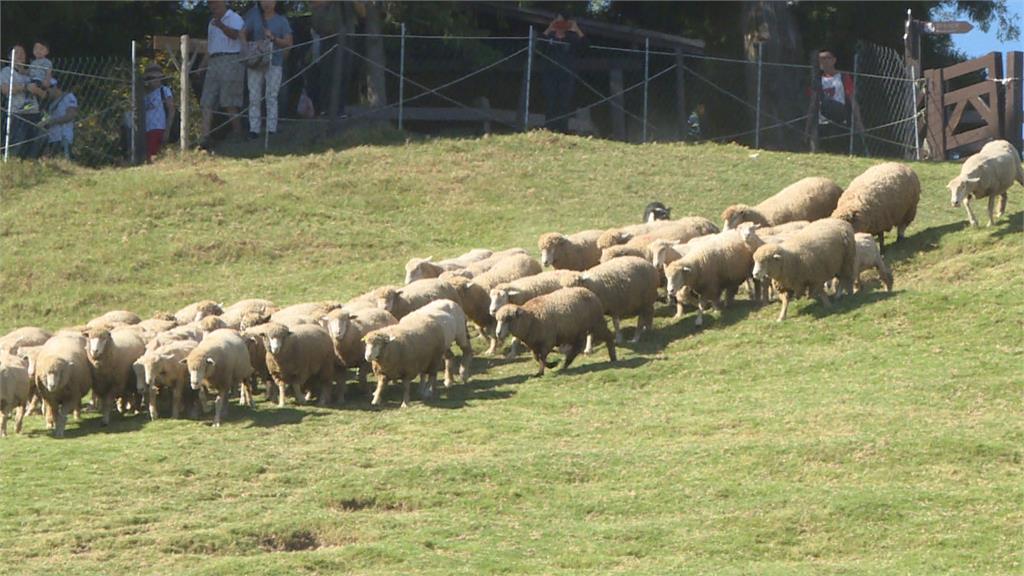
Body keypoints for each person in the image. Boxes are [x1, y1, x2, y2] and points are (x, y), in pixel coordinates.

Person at [243, 0, 293, 139]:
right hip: (256, 62)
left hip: (274, 61)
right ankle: (254, 129)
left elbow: (289, 42)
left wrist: (275, 39)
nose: (267, 3)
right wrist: (246, 48)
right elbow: (242, 33)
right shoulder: (253, 16)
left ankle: (272, 128)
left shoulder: (281, 21)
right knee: (254, 96)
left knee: (271, 95)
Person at [199, 0, 245, 148]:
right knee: (207, 99)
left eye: (216, 3)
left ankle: (238, 132)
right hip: (214, 61)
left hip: (230, 58)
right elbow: (210, 46)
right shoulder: (211, 22)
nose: (214, 7)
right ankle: (205, 137)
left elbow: (236, 35)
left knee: (229, 100)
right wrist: (201, 67)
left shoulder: (234, 17)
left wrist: (222, 26)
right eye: (211, 4)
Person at [805, 50, 865, 152]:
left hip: (840, 119)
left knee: (840, 148)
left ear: (834, 60)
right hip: (822, 120)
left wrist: (858, 121)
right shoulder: (817, 80)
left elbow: (852, 99)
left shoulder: (843, 77)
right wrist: (808, 127)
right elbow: (812, 103)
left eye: (826, 58)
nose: (823, 62)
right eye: (820, 59)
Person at [0, 44, 47, 159]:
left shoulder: (32, 73)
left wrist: (36, 90)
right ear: (10, 57)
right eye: (16, 53)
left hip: (34, 113)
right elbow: (5, 89)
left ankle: (30, 165)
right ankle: (12, 166)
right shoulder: (7, 71)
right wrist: (25, 87)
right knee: (18, 143)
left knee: (39, 139)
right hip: (18, 114)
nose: (20, 56)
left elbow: (44, 94)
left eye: (23, 53)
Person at [541, 14, 585, 133]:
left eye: (562, 23)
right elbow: (539, 46)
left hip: (567, 75)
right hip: (550, 75)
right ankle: (549, 128)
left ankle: (562, 129)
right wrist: (550, 28)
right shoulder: (549, 37)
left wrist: (576, 29)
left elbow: (586, 47)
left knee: (564, 103)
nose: (559, 25)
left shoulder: (571, 38)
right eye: (557, 22)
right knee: (550, 102)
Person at [142, 64, 175, 161]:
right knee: (147, 155)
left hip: (159, 128)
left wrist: (167, 130)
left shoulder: (164, 90)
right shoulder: (144, 95)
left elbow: (171, 109)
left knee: (155, 156)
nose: (156, 80)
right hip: (146, 129)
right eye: (152, 78)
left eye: (159, 78)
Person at [40, 76, 77, 160]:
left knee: (64, 160)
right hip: (52, 138)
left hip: (63, 137)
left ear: (54, 87)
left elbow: (70, 116)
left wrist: (51, 121)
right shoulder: (51, 104)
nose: (46, 92)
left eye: (47, 89)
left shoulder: (69, 97)